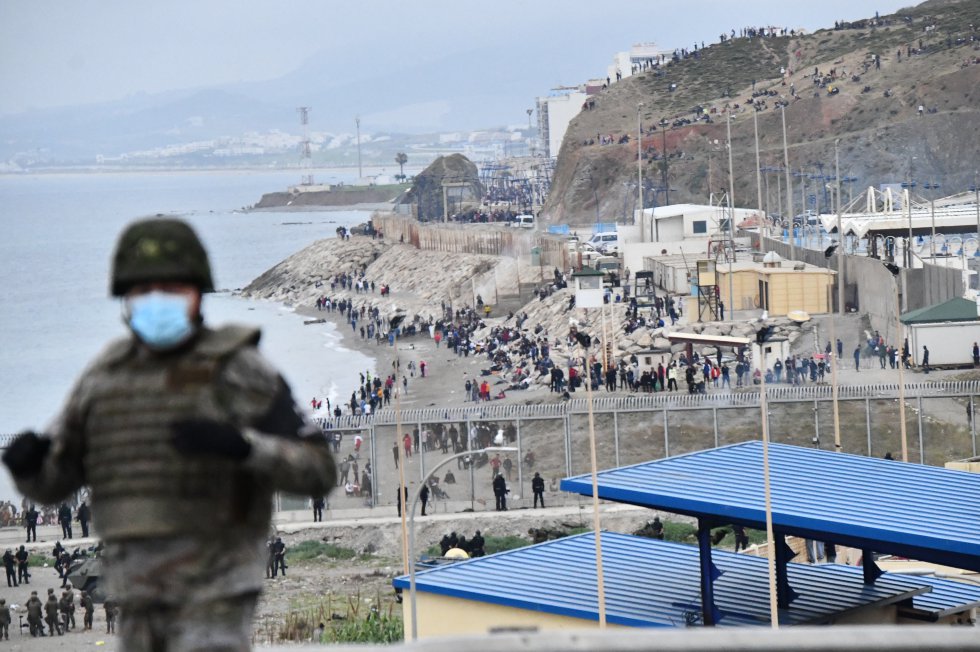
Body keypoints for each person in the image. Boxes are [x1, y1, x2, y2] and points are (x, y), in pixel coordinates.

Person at [1, 217, 336, 652]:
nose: (157, 301)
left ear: (198, 295)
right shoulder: (105, 377)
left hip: (217, 587)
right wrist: (27, 467)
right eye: (143, 291)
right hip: (134, 591)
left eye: (172, 290)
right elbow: (55, 482)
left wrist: (242, 448)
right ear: (125, 299)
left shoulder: (238, 370)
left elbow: (318, 471)